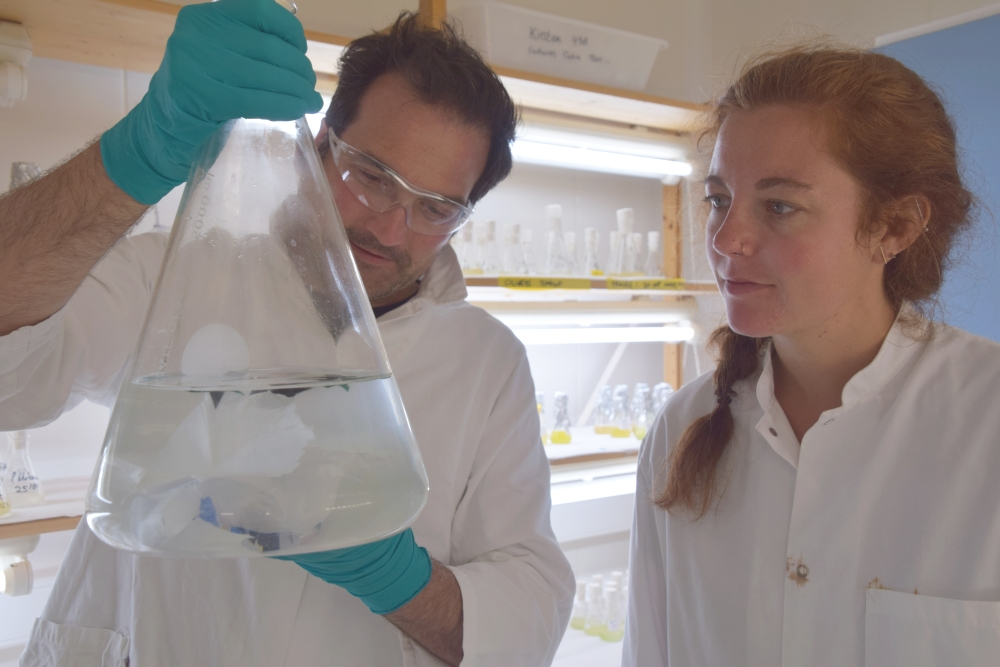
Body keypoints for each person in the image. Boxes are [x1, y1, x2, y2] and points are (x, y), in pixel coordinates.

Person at [0, 1, 574, 665]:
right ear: (322, 142)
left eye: (435, 208)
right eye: (372, 177)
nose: (390, 228)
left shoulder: (486, 362)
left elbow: (527, 616)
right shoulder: (180, 267)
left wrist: (399, 581)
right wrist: (138, 152)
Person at [625, 46, 1000, 666]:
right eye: (719, 198)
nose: (725, 240)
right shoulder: (679, 431)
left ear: (896, 228)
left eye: (779, 206)